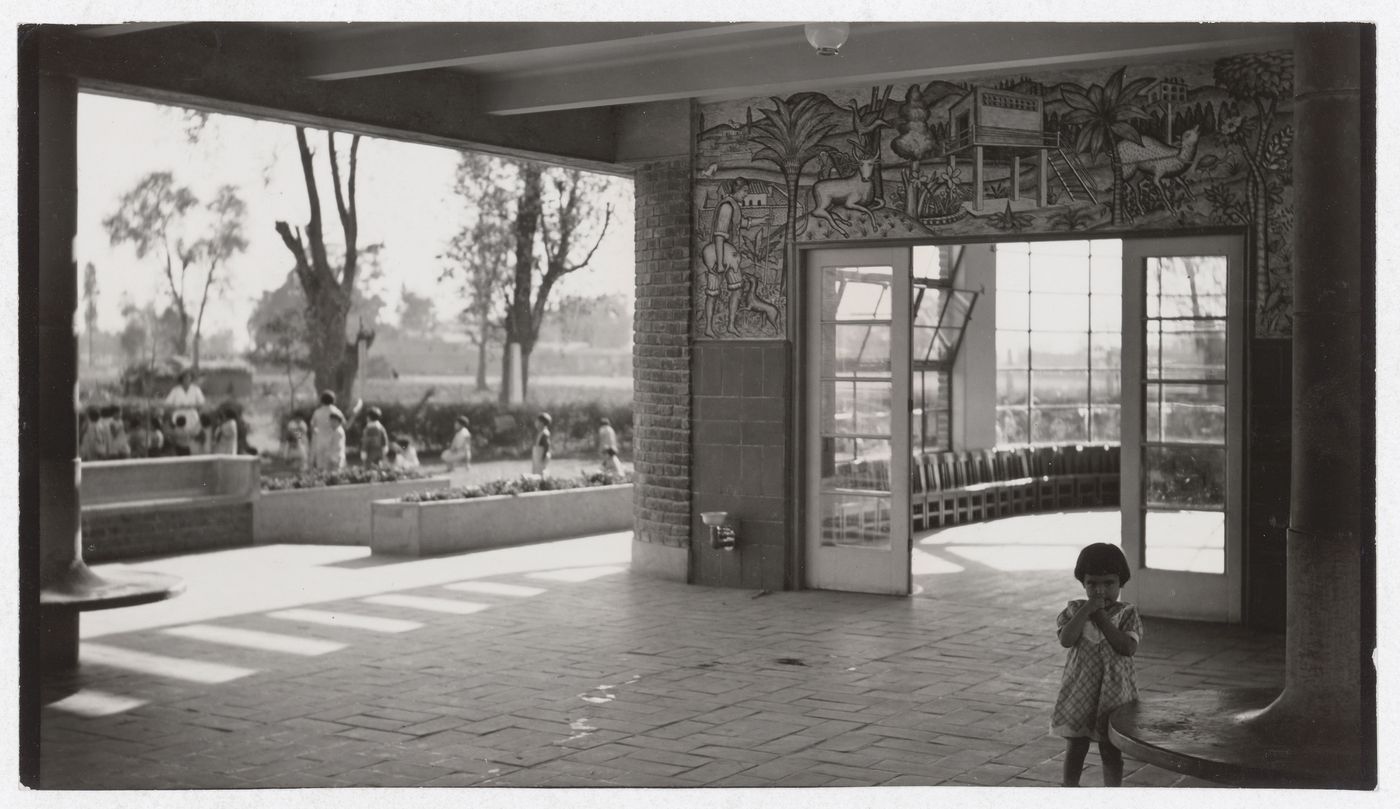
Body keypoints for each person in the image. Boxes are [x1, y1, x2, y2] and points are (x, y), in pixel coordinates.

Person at [1052, 543, 1142, 787]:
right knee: (1076, 742)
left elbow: (1127, 647)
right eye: (1092, 583)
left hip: (1114, 691)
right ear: (1083, 583)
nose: (1100, 591)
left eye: (1108, 583)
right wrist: (1086, 611)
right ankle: (1069, 788)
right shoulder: (1073, 611)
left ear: (1121, 583)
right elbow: (1066, 640)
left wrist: (1101, 618)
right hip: (1080, 689)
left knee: (1110, 746)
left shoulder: (1127, 613)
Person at [164, 369, 205, 452]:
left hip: (192, 416)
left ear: (191, 379)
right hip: (179, 417)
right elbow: (167, 404)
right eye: (185, 378)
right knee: (180, 439)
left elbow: (201, 403)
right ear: (181, 379)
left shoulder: (195, 389)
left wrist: (191, 406)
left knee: (192, 437)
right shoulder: (176, 390)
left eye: (188, 378)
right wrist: (178, 406)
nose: (187, 380)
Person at [309, 390, 345, 471]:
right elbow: (344, 424)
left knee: (320, 467)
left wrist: (316, 434)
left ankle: (321, 481)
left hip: (320, 441)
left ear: (321, 400)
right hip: (334, 444)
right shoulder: (336, 411)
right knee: (334, 468)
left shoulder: (317, 412)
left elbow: (312, 427)